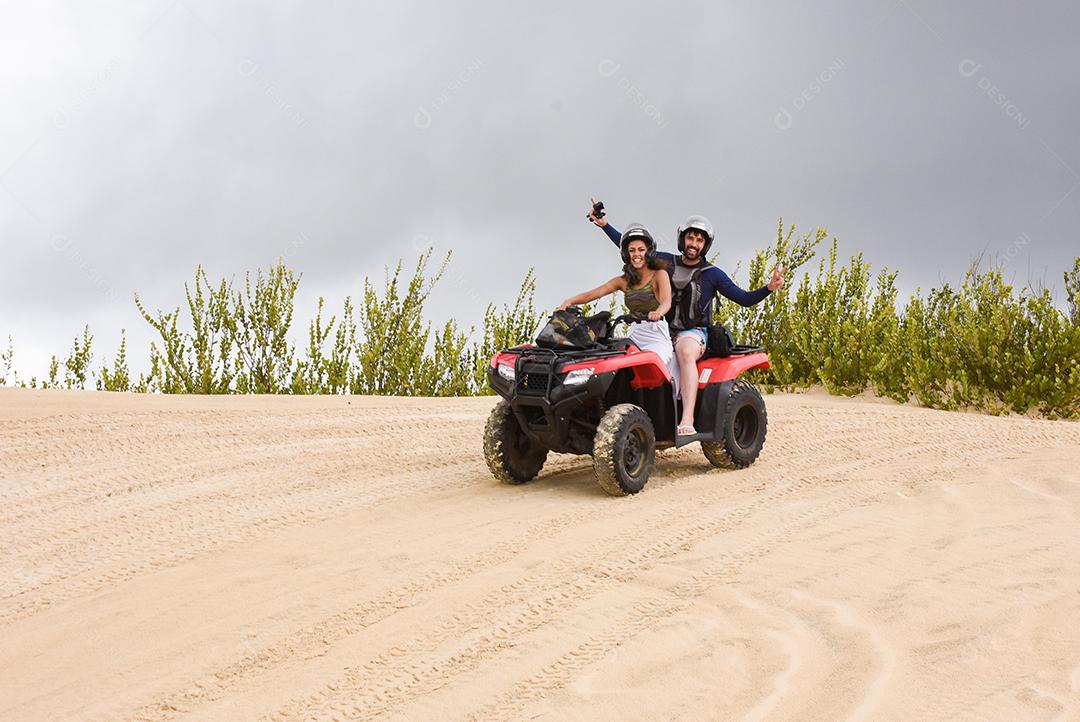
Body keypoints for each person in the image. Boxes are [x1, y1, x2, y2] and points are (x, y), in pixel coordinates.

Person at [588, 198, 786, 437]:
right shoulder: (664, 262)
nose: (694, 244)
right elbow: (633, 248)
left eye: (700, 240)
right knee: (623, 353)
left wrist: (769, 287)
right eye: (691, 238)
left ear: (706, 245)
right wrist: (604, 224)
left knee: (685, 351)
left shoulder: (713, 274)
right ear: (683, 239)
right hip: (661, 330)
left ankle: (687, 418)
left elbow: (743, 298)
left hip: (694, 333)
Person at [556, 224, 675, 372]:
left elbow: (666, 301)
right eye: (632, 251)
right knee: (618, 370)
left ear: (649, 252)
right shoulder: (623, 281)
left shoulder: (659, 274)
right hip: (635, 334)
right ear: (626, 254)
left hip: (656, 334)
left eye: (641, 250)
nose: (636, 254)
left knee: (652, 369)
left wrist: (659, 312)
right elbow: (594, 293)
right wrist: (569, 302)